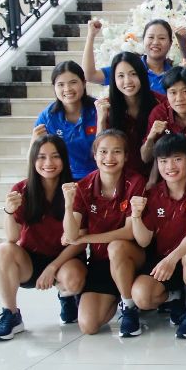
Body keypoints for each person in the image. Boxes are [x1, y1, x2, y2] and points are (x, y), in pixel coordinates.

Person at [0, 136, 86, 340]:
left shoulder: (76, 189)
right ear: (33, 160)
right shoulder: (21, 189)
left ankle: (67, 296)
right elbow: (12, 237)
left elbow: (81, 240)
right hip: (30, 259)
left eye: (55, 156)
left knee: (74, 279)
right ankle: (10, 314)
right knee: (3, 250)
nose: (48, 163)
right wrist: (8, 212)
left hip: (65, 259)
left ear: (64, 159)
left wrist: (52, 267)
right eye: (41, 157)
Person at [61, 129, 147, 336]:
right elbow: (71, 235)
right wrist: (68, 205)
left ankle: (129, 306)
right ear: (95, 155)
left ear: (126, 156)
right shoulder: (84, 185)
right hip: (101, 261)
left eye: (117, 152)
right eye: (103, 151)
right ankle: (116, 296)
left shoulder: (135, 182)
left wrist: (86, 238)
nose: (109, 158)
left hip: (131, 256)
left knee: (116, 247)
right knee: (88, 326)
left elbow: (129, 232)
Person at [129, 134, 186, 338]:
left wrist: (172, 258)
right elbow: (144, 240)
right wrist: (135, 216)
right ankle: (174, 297)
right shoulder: (153, 194)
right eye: (163, 161)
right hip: (164, 261)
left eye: (177, 159)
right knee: (142, 296)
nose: (170, 166)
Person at [94, 52, 163, 176]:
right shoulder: (106, 106)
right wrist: (101, 120)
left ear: (142, 75)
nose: (127, 81)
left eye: (133, 74)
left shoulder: (160, 103)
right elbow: (101, 149)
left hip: (156, 174)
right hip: (121, 175)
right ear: (114, 79)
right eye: (120, 76)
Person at [33, 61, 98, 180]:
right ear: (54, 87)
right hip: (62, 178)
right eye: (61, 84)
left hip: (98, 176)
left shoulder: (99, 110)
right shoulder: (47, 118)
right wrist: (34, 141)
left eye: (73, 82)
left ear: (84, 83)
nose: (67, 89)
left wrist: (102, 120)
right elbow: (35, 159)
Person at [83, 18, 183, 93]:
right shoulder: (128, 67)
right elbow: (90, 75)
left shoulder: (174, 74)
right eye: (151, 37)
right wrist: (91, 36)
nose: (156, 42)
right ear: (143, 40)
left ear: (170, 43)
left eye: (162, 38)